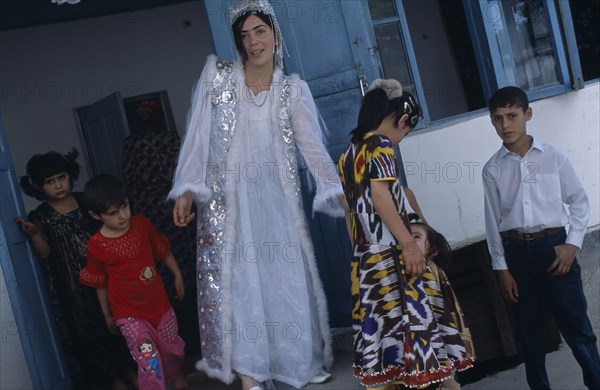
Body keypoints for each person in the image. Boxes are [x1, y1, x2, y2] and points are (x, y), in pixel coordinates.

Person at [168, 1, 344, 388]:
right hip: (229, 206)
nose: (253, 41)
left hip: (275, 204)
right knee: (240, 284)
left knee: (283, 278)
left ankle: (295, 362)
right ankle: (250, 376)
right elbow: (197, 138)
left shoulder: (291, 91)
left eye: (260, 31)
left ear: (275, 34)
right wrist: (185, 189)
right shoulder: (218, 80)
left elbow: (312, 148)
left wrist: (334, 188)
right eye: (244, 35)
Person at [337, 79, 473, 390]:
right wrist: (409, 245)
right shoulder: (381, 145)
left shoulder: (347, 155)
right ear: (401, 120)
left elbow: (349, 210)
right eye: (406, 132)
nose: (401, 139)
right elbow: (382, 198)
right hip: (390, 259)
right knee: (420, 353)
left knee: (389, 357)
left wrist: (361, 257)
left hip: (366, 264)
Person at [483, 86, 600, 389]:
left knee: (577, 328)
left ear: (528, 114)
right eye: (498, 119)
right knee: (531, 335)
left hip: (555, 249)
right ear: (492, 122)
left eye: (512, 115)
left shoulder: (554, 158)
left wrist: (572, 244)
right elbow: (492, 223)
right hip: (517, 256)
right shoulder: (492, 169)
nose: (505, 125)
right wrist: (502, 270)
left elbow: (579, 202)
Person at [15, 149, 134, 389]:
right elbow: (45, 254)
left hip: (105, 277)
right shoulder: (41, 216)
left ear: (70, 175)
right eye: (50, 182)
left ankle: (133, 372)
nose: (58, 185)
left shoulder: (86, 201)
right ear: (39, 187)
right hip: (74, 287)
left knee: (120, 326)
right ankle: (115, 381)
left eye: (61, 177)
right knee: (91, 336)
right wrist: (36, 235)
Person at [79, 174, 189, 390]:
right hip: (128, 314)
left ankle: (179, 374)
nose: (122, 216)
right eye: (113, 213)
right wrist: (107, 314)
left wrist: (177, 275)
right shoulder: (96, 245)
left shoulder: (142, 225)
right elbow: (100, 282)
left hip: (159, 306)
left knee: (171, 348)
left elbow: (162, 250)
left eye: (125, 206)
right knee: (147, 358)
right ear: (95, 215)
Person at [122, 127, 200, 360]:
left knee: (167, 293)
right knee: (193, 285)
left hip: (156, 249)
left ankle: (177, 351)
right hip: (182, 240)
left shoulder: (135, 199)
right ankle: (199, 345)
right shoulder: (181, 193)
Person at [410, 221, 476, 390]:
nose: (409, 241)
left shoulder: (425, 270)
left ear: (432, 250)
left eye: (416, 237)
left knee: (447, 381)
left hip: (438, 342)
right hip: (427, 347)